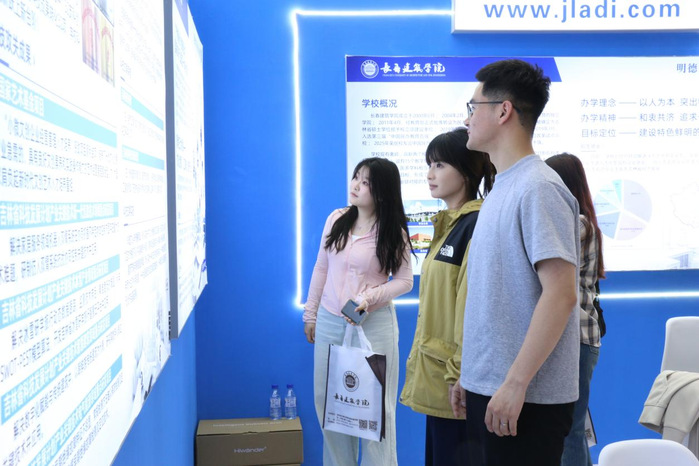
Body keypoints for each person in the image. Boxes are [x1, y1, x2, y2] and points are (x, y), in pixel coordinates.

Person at [450, 59, 581, 466]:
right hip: (492, 388)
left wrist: (515, 382)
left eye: (473, 107)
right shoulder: (501, 188)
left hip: (527, 400)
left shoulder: (538, 187)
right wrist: (472, 375)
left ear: (503, 110)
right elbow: (494, 298)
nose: (467, 118)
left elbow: (560, 295)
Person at [303, 157, 414, 466]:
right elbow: (321, 267)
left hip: (373, 325)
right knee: (331, 405)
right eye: (356, 177)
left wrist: (370, 296)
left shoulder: (392, 231)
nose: (356, 185)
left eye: (366, 182)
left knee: (375, 410)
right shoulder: (336, 219)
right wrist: (311, 314)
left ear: (382, 192)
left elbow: (404, 281)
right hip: (330, 321)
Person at [400, 128, 495, 466]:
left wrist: (459, 374)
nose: (430, 174)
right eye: (429, 165)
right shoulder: (449, 225)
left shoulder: (475, 224)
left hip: (457, 384)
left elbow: (473, 308)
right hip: (439, 379)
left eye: (439, 165)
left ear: (466, 171)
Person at [545, 153, 606, 466]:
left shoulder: (578, 224)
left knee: (570, 430)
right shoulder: (579, 222)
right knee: (570, 428)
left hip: (577, 338)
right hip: (574, 338)